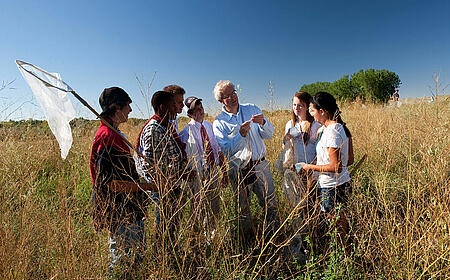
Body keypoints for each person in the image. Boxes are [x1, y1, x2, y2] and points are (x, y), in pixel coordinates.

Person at [89, 87, 155, 277]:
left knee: (133, 258)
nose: (130, 110)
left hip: (128, 207)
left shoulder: (114, 133)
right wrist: (149, 186)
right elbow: (111, 184)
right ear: (115, 107)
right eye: (127, 105)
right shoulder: (108, 136)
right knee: (124, 262)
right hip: (121, 209)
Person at [212, 80, 280, 246]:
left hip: (261, 165)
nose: (233, 97)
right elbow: (226, 151)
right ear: (221, 101)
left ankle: (275, 238)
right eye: (228, 96)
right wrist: (240, 136)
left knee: (270, 204)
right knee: (243, 210)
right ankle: (248, 244)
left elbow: (269, 135)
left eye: (234, 92)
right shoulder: (219, 123)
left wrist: (263, 123)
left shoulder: (252, 108)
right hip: (239, 171)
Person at [136, 90, 189, 252]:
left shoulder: (164, 125)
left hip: (171, 184)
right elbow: (147, 165)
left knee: (171, 223)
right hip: (163, 189)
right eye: (173, 105)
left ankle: (170, 251)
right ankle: (164, 255)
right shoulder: (154, 129)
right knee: (165, 224)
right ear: (161, 107)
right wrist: (163, 185)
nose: (176, 108)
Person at [299, 91, 354, 245]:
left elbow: (336, 166)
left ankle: (342, 255)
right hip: (342, 184)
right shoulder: (338, 127)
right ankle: (344, 252)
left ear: (322, 111)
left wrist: (309, 167)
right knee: (342, 224)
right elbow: (346, 161)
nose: (311, 114)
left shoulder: (332, 132)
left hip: (332, 188)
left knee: (337, 226)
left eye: (312, 110)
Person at [180, 96, 226, 239]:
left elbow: (218, 150)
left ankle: (212, 237)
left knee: (215, 207)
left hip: (212, 173)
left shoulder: (209, 126)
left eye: (201, 108)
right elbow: (183, 159)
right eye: (196, 109)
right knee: (198, 210)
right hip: (198, 177)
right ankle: (197, 239)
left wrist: (223, 173)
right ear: (190, 114)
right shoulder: (186, 133)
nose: (200, 111)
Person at [282, 91, 322, 209]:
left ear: (308, 106)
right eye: (294, 105)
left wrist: (312, 169)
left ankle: (316, 226)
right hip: (296, 170)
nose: (296, 108)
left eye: (300, 105)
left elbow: (320, 149)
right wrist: (286, 138)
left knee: (313, 202)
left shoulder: (315, 125)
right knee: (299, 204)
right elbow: (286, 148)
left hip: (311, 170)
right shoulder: (290, 124)